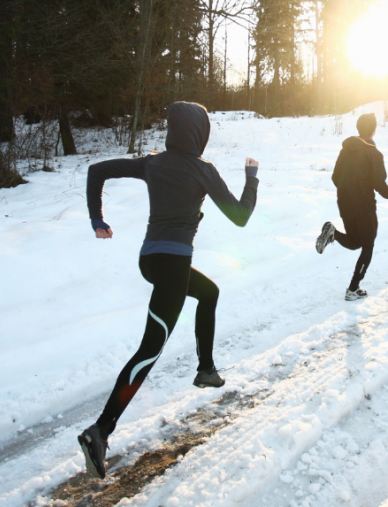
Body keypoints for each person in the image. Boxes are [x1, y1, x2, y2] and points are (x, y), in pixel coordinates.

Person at [77, 102, 259, 479]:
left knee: (209, 293)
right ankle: (101, 430)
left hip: (152, 260)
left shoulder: (153, 162)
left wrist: (97, 219)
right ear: (199, 132)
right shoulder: (203, 170)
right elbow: (241, 217)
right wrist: (251, 177)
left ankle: (206, 369)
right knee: (149, 351)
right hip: (173, 267)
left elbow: (97, 170)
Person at [315, 112, 388, 301]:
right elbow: (380, 185)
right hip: (364, 207)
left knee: (356, 242)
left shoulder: (345, 150)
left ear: (358, 128)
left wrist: (349, 191)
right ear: (374, 129)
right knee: (367, 246)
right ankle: (353, 289)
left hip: (344, 203)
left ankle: (333, 233)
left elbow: (335, 177)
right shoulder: (374, 153)